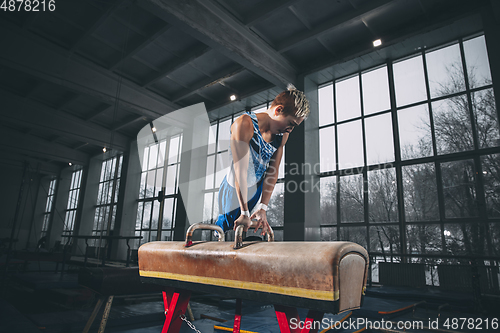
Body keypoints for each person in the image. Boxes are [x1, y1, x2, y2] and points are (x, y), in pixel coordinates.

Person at [215, 84, 310, 236]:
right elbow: (240, 170)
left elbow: (273, 172)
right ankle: (217, 231)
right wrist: (244, 212)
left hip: (256, 187)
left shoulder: (282, 135)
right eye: (290, 124)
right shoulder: (244, 124)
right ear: (278, 110)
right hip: (234, 185)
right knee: (226, 225)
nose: (290, 130)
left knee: (246, 225)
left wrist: (263, 207)